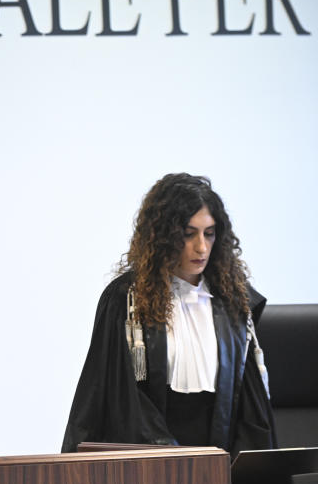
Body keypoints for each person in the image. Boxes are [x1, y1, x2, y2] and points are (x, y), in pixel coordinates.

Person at [62, 173, 275, 454]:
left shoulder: (234, 302)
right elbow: (122, 399)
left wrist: (237, 471)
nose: (201, 247)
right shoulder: (127, 300)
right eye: (188, 234)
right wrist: (175, 461)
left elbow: (249, 408)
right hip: (149, 466)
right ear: (163, 236)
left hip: (220, 466)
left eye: (209, 234)